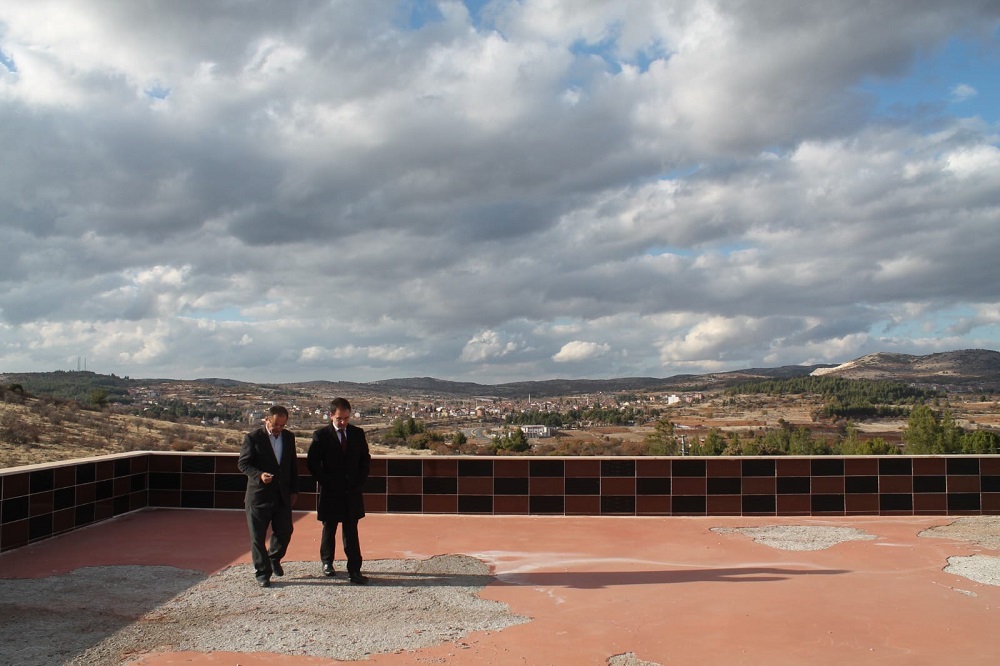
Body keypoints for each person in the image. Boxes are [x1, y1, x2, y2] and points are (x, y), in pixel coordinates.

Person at [307, 397, 372, 584]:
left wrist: (359, 481)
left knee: (351, 531)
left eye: (346, 418)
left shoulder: (357, 434)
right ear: (331, 416)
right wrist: (326, 481)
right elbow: (313, 463)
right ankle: (327, 562)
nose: (342, 422)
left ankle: (354, 570)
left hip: (352, 491)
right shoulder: (321, 435)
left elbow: (364, 460)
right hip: (331, 491)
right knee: (329, 528)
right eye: (339, 419)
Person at [238, 405, 299, 588]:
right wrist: (259, 475)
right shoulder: (253, 438)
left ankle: (274, 558)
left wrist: (294, 490)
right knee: (257, 537)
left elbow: (292, 465)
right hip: (258, 496)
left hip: (282, 495)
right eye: (275, 424)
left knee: (285, 531)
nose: (278, 429)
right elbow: (243, 464)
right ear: (267, 419)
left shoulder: (289, 438)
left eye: (282, 425)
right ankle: (262, 573)